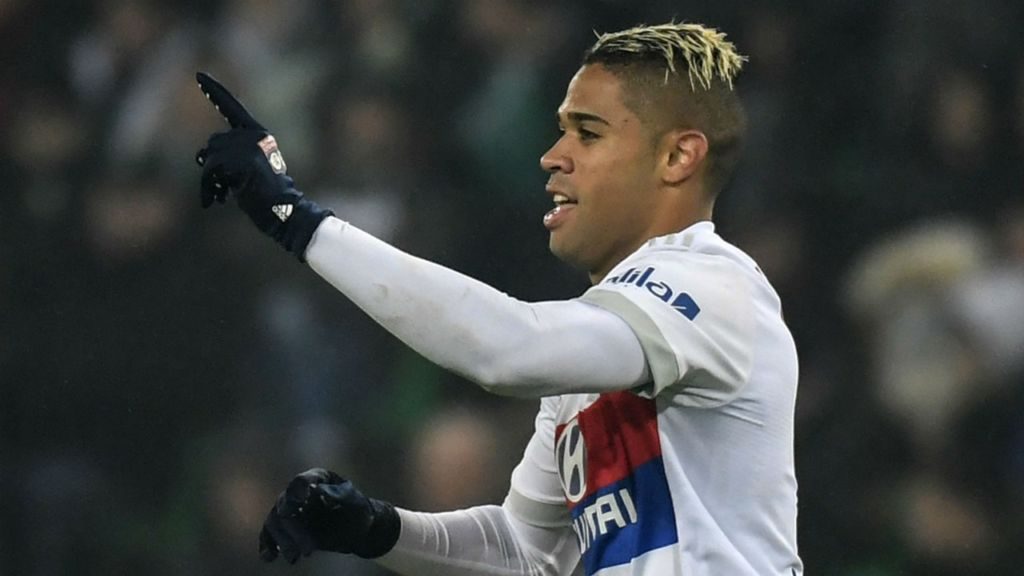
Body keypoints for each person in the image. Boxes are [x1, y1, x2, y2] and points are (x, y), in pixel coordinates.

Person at [195, 21, 803, 576]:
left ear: (677, 156)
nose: (553, 156)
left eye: (588, 133)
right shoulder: (599, 344)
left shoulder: (712, 285)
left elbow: (511, 350)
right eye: (561, 130)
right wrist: (376, 529)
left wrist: (299, 222)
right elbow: (524, 551)